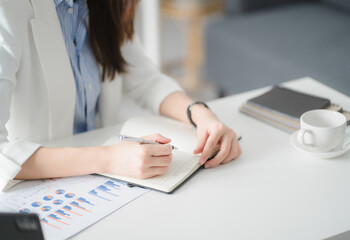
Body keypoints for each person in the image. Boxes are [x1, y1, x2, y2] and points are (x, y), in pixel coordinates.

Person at [0, 0, 241, 191]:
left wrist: (199, 113)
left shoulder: (106, 4)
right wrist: (107, 158)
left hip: (102, 179)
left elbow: (146, 79)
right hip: (37, 187)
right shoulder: (7, 9)